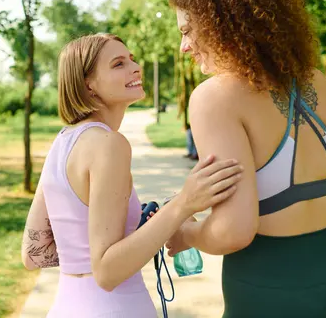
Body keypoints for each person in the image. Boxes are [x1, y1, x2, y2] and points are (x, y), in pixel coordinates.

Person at [165, 0, 326, 317]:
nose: (184, 46)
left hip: (269, 285)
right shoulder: (317, 80)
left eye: (187, 30)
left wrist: (185, 233)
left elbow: (234, 231)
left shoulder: (214, 98)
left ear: (223, 23)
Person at [20, 33, 243, 317]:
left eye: (132, 60)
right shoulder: (109, 144)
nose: (135, 68)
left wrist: (137, 235)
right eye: (118, 64)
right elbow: (107, 273)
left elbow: (33, 253)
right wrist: (184, 203)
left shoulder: (63, 141)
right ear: (88, 84)